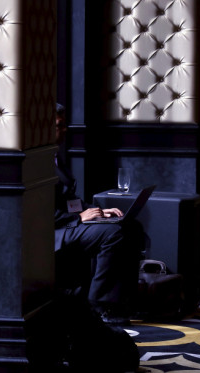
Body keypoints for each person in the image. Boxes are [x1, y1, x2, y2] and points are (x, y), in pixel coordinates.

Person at [54, 104, 142, 324]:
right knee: (112, 235)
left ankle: (125, 301)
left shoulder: (55, 156)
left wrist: (98, 211)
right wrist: (79, 218)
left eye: (64, 125)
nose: (65, 130)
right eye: (59, 126)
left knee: (130, 226)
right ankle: (102, 306)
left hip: (69, 222)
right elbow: (37, 210)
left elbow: (67, 200)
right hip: (55, 229)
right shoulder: (35, 161)